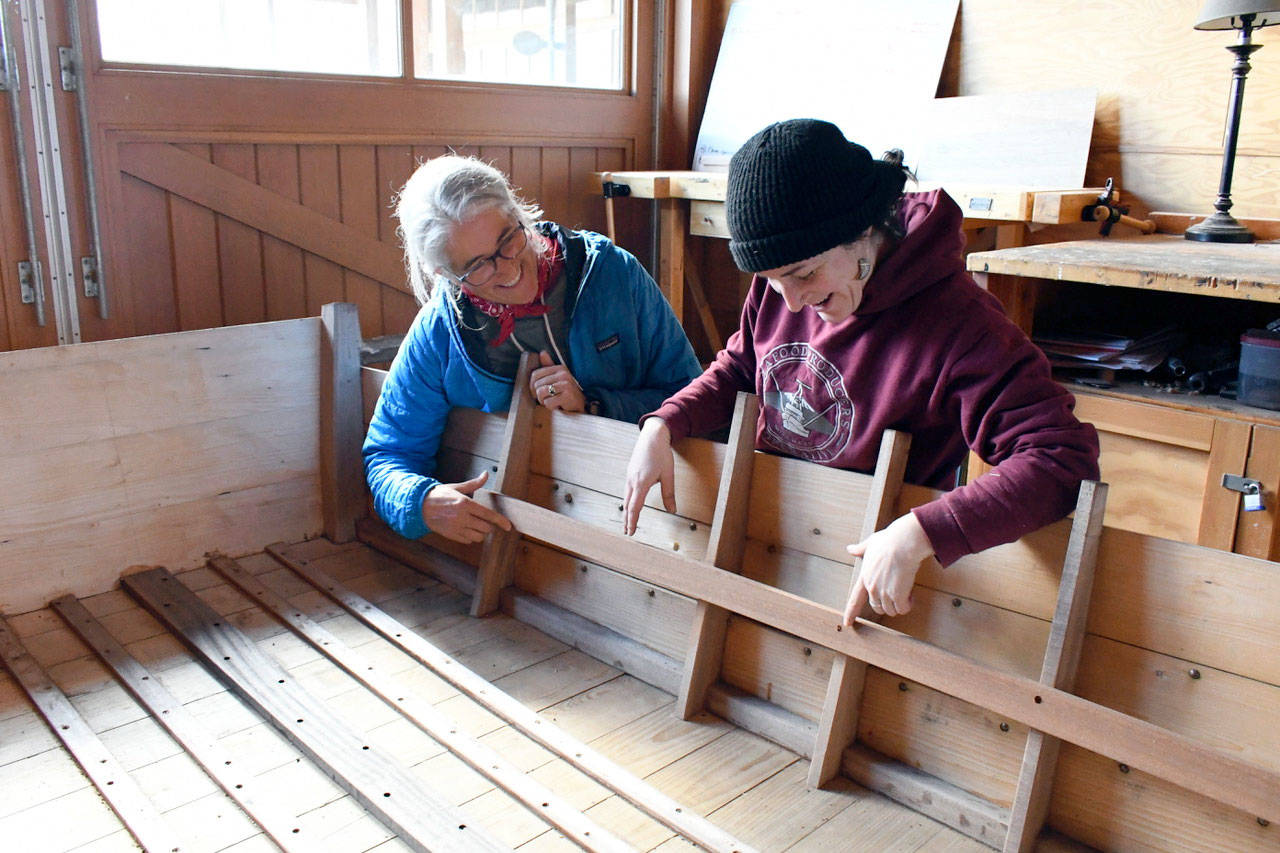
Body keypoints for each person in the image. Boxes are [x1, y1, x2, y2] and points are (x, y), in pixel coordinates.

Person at [622, 118, 1099, 626]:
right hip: (774, 539)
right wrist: (664, 423)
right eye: (770, 281)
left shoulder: (961, 325)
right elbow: (743, 366)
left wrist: (924, 531)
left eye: (803, 275)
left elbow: (1062, 459)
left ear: (865, 230)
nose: (793, 301)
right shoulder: (787, 279)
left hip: (879, 575)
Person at [366, 155, 702, 544]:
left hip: (643, 529)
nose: (507, 271)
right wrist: (421, 501)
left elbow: (692, 397)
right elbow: (388, 454)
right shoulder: (440, 330)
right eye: (478, 267)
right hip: (515, 547)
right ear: (446, 275)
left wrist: (595, 405)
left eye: (508, 239)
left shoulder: (613, 273)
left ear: (518, 212)